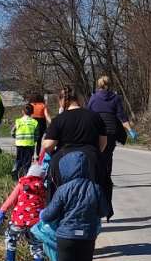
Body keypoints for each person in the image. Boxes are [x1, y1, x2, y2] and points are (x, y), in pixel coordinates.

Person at [39, 149, 103, 261]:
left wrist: (42, 214)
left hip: (65, 236)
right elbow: (103, 210)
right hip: (87, 235)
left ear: (65, 169)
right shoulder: (95, 188)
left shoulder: (62, 190)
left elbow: (49, 214)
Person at [41, 87, 109, 216]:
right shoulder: (94, 117)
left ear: (61, 101)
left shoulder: (59, 119)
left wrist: (50, 150)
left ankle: (59, 218)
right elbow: (103, 143)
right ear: (80, 99)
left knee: (58, 193)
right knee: (93, 191)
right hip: (91, 160)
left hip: (63, 161)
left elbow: (48, 145)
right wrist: (93, 152)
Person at [87, 75, 135, 216]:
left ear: (99, 84)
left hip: (97, 132)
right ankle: (106, 178)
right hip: (111, 132)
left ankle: (96, 180)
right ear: (110, 84)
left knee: (96, 157)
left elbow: (88, 114)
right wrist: (130, 130)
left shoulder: (94, 98)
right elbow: (122, 116)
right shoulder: (115, 98)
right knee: (108, 156)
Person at [0, 161, 47, 261]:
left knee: (10, 237)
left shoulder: (21, 185)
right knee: (37, 245)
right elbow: (46, 206)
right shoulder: (43, 188)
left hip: (18, 221)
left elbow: (10, 200)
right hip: (35, 223)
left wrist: (1, 212)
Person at [9, 103, 41, 176]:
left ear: (22, 111)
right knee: (28, 161)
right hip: (29, 144)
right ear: (32, 112)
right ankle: (26, 174)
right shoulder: (35, 122)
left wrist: (16, 137)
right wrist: (34, 140)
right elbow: (37, 135)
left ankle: (15, 169)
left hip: (19, 144)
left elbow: (12, 132)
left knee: (18, 159)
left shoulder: (18, 121)